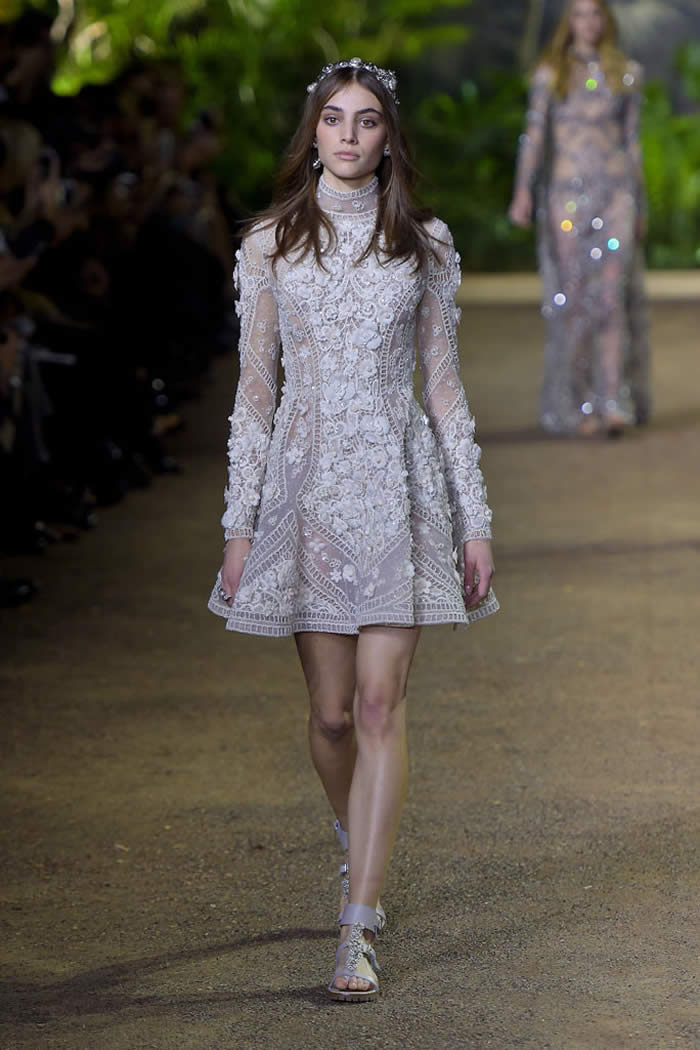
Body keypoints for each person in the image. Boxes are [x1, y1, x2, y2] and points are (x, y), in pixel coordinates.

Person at [208, 57, 498, 1001]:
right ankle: (355, 832)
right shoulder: (269, 244)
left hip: (397, 489)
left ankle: (358, 925)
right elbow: (256, 394)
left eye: (366, 120)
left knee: (379, 706)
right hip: (306, 492)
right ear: (313, 133)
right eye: (333, 118)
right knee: (331, 715)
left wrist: (473, 520)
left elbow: (444, 389)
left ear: (387, 138)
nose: (348, 135)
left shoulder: (424, 243)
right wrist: (240, 524)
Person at [509, 0, 650, 438]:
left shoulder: (626, 74)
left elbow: (632, 141)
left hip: (617, 196)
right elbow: (534, 136)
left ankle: (613, 400)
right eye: (580, 14)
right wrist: (522, 191)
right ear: (568, 22)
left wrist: (641, 202)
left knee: (610, 298)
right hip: (567, 199)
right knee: (573, 301)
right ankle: (578, 402)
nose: (588, 22)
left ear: (606, 19)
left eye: (595, 13)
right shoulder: (550, 74)